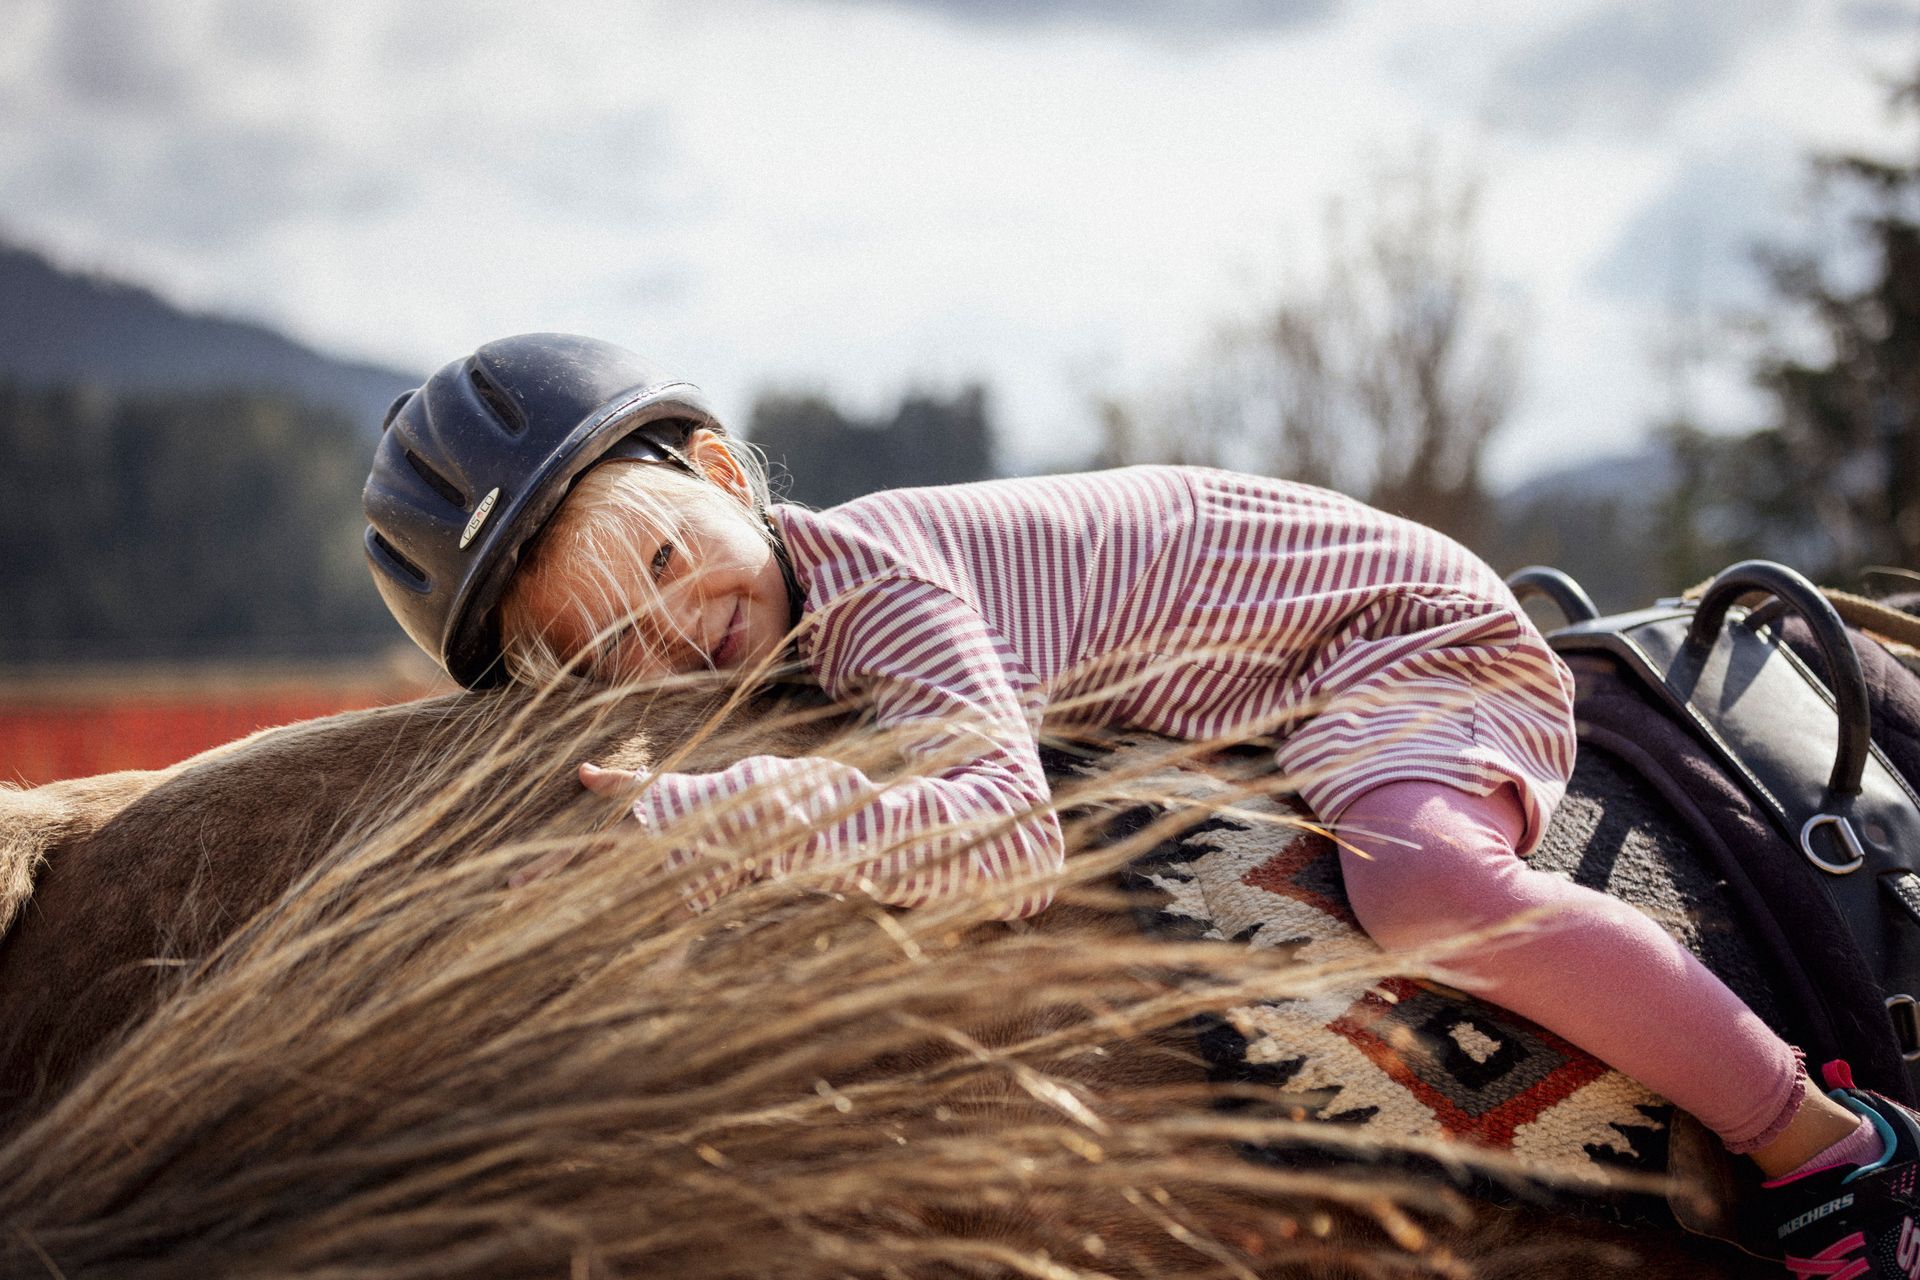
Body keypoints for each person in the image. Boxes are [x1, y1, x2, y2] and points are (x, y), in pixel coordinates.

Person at [365, 333, 1920, 1274]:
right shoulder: (794, 622)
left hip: (1381, 643)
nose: (668, 635)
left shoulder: (884, 582)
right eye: (606, 651)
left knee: (1420, 890)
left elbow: (1007, 839)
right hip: (1253, 680)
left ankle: (1821, 1142)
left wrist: (741, 813)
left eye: (657, 563)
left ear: (721, 471)